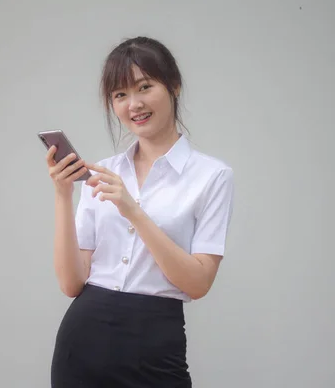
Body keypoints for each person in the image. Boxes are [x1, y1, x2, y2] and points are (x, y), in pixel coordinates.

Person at [46, 36, 234, 387]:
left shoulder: (212, 177)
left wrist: (133, 211)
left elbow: (198, 283)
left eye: (144, 87)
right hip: (82, 342)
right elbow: (71, 284)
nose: (134, 104)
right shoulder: (103, 172)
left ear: (174, 86)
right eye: (120, 95)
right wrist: (62, 194)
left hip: (155, 344)